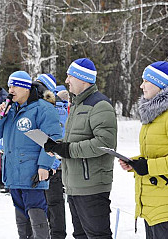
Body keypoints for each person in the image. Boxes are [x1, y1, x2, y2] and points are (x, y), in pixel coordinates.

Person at [118, 61, 168, 239]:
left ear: (159, 84)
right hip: (153, 200)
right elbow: (155, 153)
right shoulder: (153, 116)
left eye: (146, 81)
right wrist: (135, 163)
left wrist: (149, 167)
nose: (141, 85)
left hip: (167, 201)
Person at [44, 58, 118, 239]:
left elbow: (105, 143)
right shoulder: (77, 105)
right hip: (74, 185)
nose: (67, 80)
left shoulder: (100, 105)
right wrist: (57, 146)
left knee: (97, 235)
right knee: (80, 235)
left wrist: (67, 150)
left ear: (83, 79)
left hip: (92, 185)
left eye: (70, 76)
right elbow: (75, 139)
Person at [0, 71, 62, 239]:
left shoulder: (43, 108)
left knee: (36, 214)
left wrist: (44, 165)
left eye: (15, 86)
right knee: (20, 216)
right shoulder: (9, 108)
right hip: (13, 172)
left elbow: (53, 139)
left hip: (32, 173)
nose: (10, 90)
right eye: (9, 86)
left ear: (26, 88)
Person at [35, 74, 68, 239]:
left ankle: (57, 235)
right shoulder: (39, 107)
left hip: (54, 165)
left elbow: (57, 139)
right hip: (41, 164)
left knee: (54, 203)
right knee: (41, 205)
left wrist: (52, 165)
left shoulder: (58, 110)